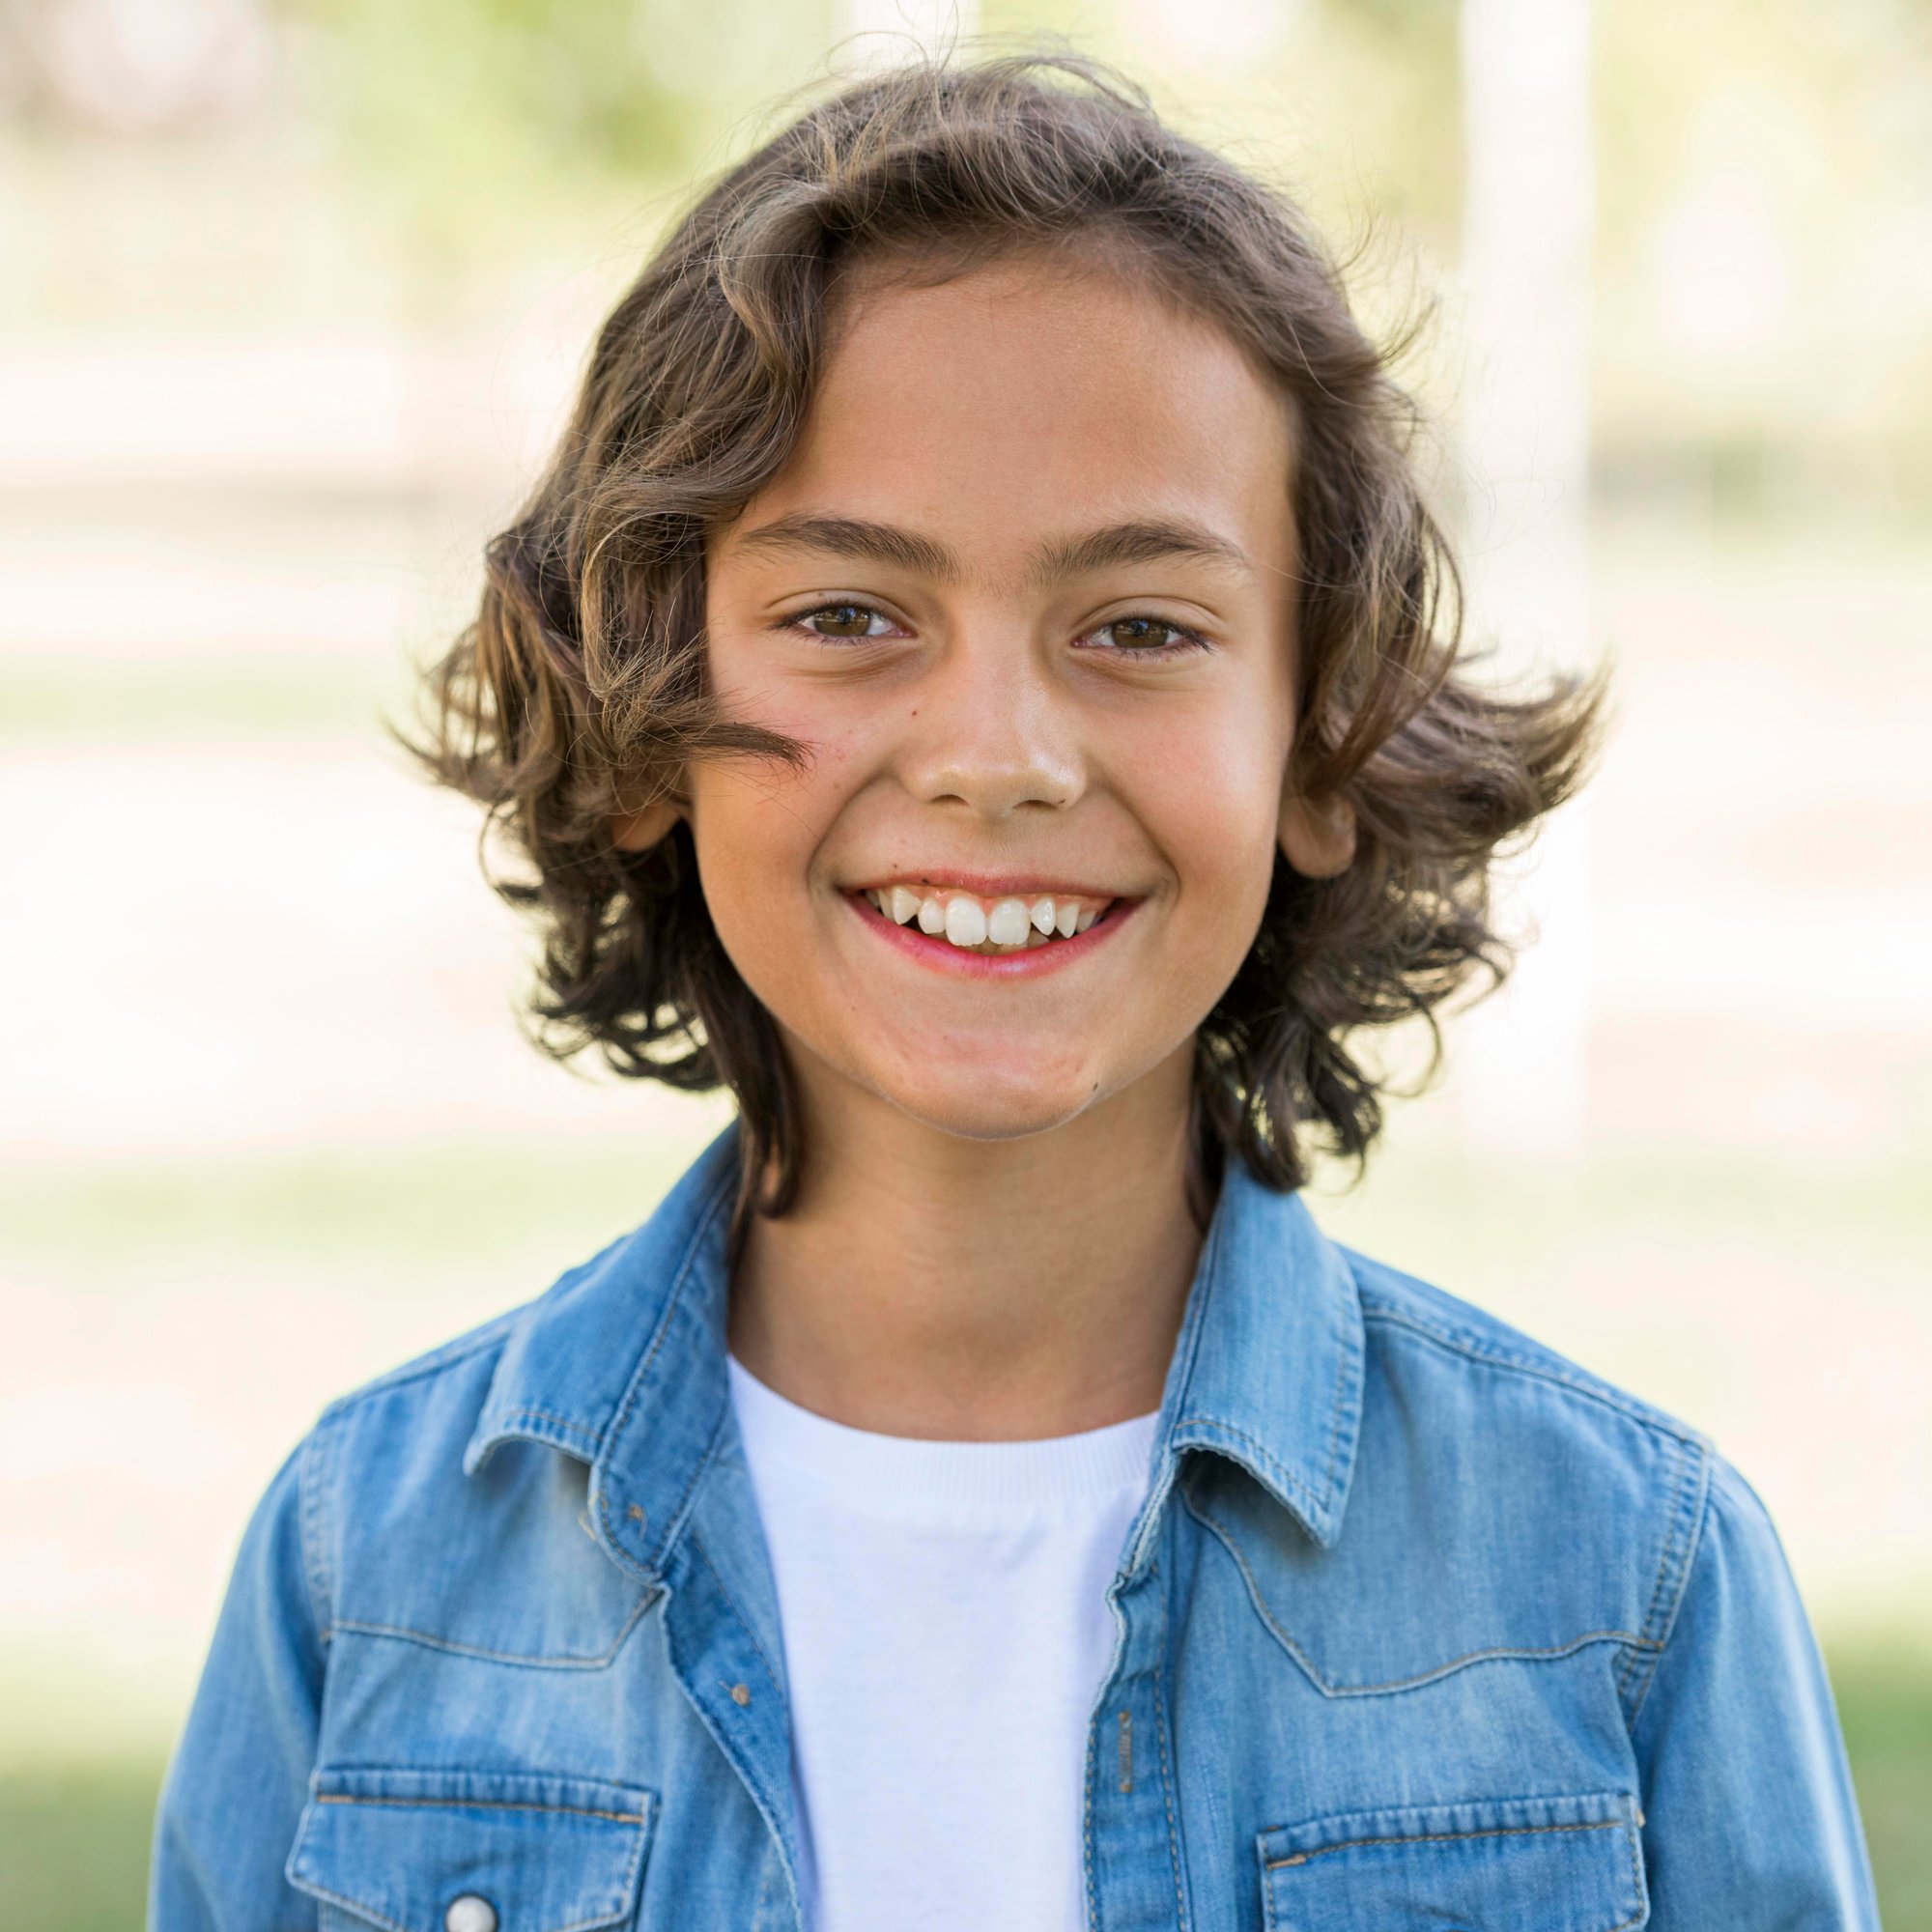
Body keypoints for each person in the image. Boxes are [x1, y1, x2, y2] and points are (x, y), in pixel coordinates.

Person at [148, 50, 1881, 1932]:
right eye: (847, 616)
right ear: (651, 716)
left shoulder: (1627, 1579)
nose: (999, 754)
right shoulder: (367, 1564)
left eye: (1140, 627)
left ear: (1319, 738)